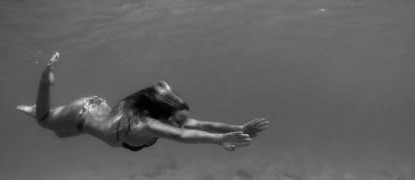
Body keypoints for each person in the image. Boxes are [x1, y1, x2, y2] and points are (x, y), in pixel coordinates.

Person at [17, 52, 269, 152]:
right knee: (43, 120)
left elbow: (204, 124)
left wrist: (239, 128)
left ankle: (51, 115)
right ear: (162, 116)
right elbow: (182, 137)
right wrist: (219, 141)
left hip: (101, 113)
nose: (184, 123)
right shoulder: (147, 124)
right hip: (82, 113)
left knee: (63, 135)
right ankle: (44, 82)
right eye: (179, 120)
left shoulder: (163, 118)